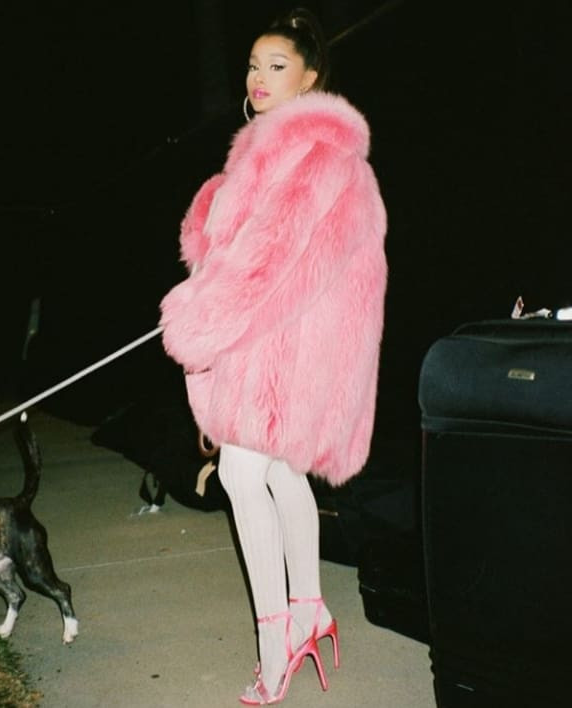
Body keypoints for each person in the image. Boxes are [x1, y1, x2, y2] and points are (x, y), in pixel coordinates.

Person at [159, 6, 387, 705]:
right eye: (253, 66)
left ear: (311, 77)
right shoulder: (263, 156)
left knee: (239, 473)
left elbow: (266, 266)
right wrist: (213, 217)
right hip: (271, 346)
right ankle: (310, 609)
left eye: (277, 65)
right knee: (281, 473)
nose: (258, 78)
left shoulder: (319, 157)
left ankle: (276, 640)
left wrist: (196, 323)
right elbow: (227, 254)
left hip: (289, 352)